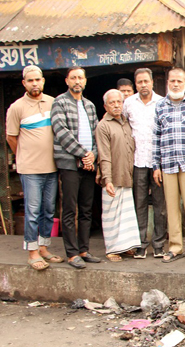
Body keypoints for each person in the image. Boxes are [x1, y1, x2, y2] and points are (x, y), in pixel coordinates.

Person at [6, 65, 63, 271]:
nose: (35, 83)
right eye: (30, 81)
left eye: (37, 80)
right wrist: (25, 155)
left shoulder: (52, 102)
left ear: (43, 81)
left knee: (48, 210)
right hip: (30, 169)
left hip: (51, 167)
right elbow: (11, 138)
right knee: (32, 211)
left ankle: (44, 247)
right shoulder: (17, 107)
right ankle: (32, 252)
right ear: (24, 83)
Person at [153, 68, 185, 263]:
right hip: (167, 163)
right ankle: (175, 247)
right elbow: (156, 136)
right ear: (168, 82)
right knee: (171, 208)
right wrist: (155, 165)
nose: (175, 84)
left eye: (179, 81)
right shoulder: (160, 105)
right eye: (172, 81)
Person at [51, 66, 100, 269]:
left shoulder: (89, 105)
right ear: (67, 81)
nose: (77, 81)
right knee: (70, 209)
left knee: (87, 209)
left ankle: (84, 249)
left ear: (85, 81)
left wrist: (92, 155)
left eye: (80, 77)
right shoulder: (59, 102)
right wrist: (83, 154)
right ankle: (72, 253)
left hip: (87, 165)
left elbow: (97, 134)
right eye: (73, 78)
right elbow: (61, 132)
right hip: (70, 163)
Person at [123, 68, 167, 259]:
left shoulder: (161, 102)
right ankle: (140, 244)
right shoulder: (128, 103)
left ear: (152, 82)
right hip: (137, 161)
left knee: (160, 205)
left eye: (146, 81)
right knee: (139, 204)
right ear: (135, 84)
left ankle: (158, 244)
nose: (143, 85)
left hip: (158, 162)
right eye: (139, 82)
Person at [95, 89, 141, 262]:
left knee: (126, 214)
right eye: (112, 102)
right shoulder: (103, 126)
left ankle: (126, 247)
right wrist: (107, 180)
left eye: (119, 102)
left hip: (126, 174)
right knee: (111, 214)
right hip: (112, 177)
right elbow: (104, 155)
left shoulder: (126, 122)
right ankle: (113, 249)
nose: (116, 105)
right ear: (105, 106)